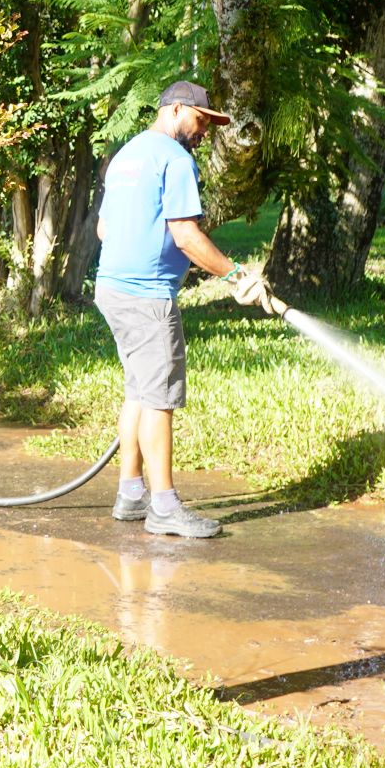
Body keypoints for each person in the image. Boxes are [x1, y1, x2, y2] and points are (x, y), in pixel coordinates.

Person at [93, 80, 285, 537]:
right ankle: (163, 507)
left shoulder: (126, 156)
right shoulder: (175, 160)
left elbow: (103, 229)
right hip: (146, 296)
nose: (204, 132)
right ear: (176, 109)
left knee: (140, 392)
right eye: (201, 120)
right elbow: (186, 235)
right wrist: (237, 276)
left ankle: (131, 494)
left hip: (112, 289)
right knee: (159, 398)